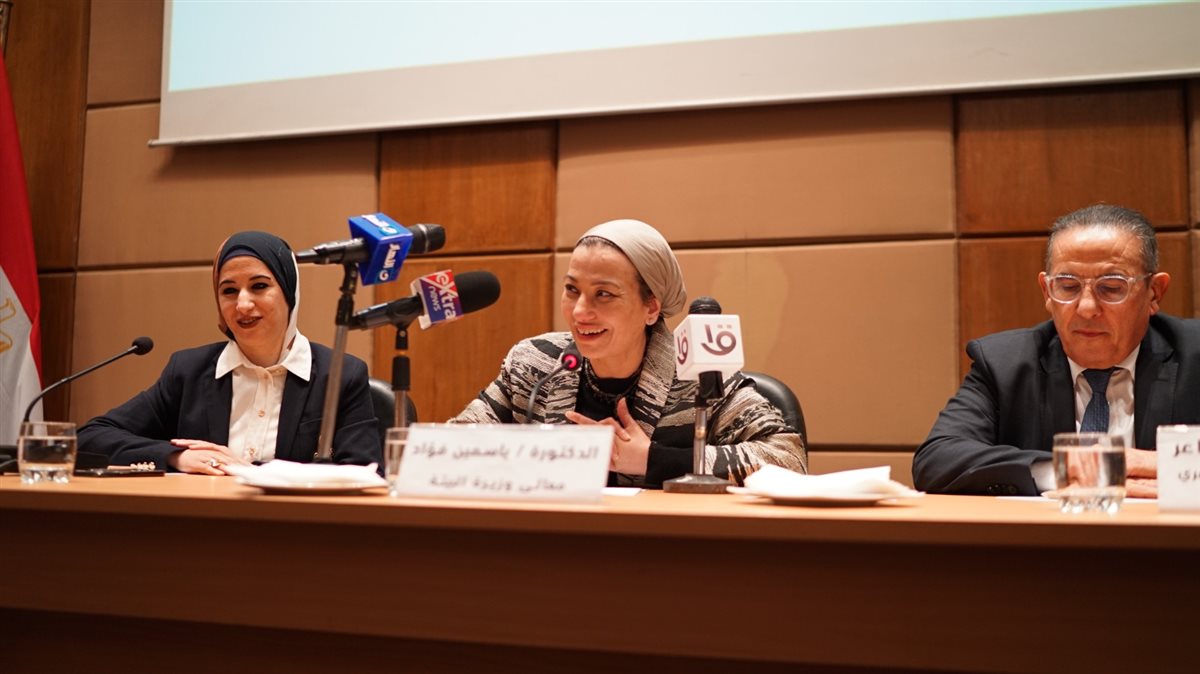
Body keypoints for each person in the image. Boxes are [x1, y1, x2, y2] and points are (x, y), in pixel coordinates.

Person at [453, 218, 806, 487]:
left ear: (651, 307)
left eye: (604, 294)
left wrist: (652, 459)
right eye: (572, 290)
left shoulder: (699, 375)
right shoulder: (535, 364)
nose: (580, 311)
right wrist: (540, 455)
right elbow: (456, 444)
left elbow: (788, 459)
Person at [914, 204, 1200, 497]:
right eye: (1067, 286)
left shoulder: (1194, 354)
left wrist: (1160, 463)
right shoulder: (1004, 364)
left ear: (1154, 292)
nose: (1086, 308)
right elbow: (936, 460)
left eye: (1112, 288)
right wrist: (1068, 469)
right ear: (1047, 291)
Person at [78, 231, 381, 474]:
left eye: (259, 286)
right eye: (229, 291)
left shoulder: (340, 375)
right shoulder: (189, 371)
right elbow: (90, 438)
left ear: (290, 294)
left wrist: (252, 471)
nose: (243, 305)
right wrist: (175, 456)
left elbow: (365, 472)